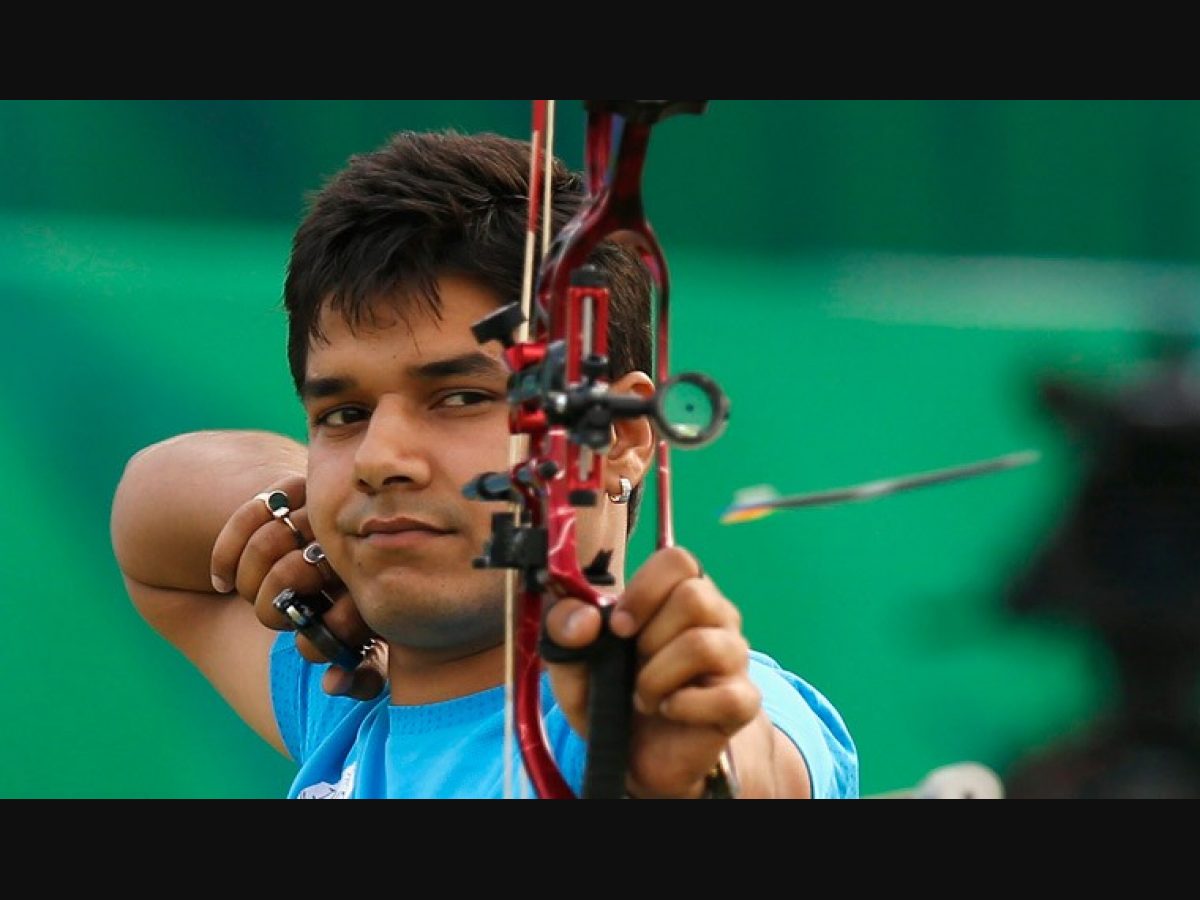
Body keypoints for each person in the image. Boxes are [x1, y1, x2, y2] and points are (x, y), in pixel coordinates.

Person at [110, 130, 858, 799]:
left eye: (462, 397)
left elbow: (746, 761)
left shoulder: (675, 706)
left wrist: (687, 777)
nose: (379, 458)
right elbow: (150, 504)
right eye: (345, 414)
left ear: (622, 434)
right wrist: (309, 527)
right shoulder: (349, 697)